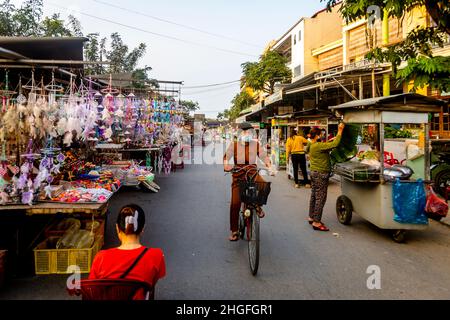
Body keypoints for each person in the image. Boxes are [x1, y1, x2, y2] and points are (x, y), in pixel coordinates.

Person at [89, 204, 166, 299]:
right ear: (142, 229)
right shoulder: (156, 255)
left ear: (117, 228)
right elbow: (151, 283)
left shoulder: (101, 257)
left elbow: (93, 289)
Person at [223, 122, 272, 242]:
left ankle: (257, 205)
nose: (246, 133)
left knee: (265, 186)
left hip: (252, 173)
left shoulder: (256, 144)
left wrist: (269, 165)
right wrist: (226, 165)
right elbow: (226, 158)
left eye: (248, 131)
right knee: (235, 203)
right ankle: (234, 230)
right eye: (244, 131)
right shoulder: (233, 145)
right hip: (238, 175)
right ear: (239, 133)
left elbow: (264, 156)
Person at [306, 123, 345, 231]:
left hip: (314, 173)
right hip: (320, 173)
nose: (322, 135)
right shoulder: (318, 146)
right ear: (317, 136)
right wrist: (340, 130)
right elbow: (336, 144)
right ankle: (316, 222)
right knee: (321, 197)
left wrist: (329, 141)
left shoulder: (312, 145)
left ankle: (311, 216)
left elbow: (326, 144)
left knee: (314, 195)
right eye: (321, 134)